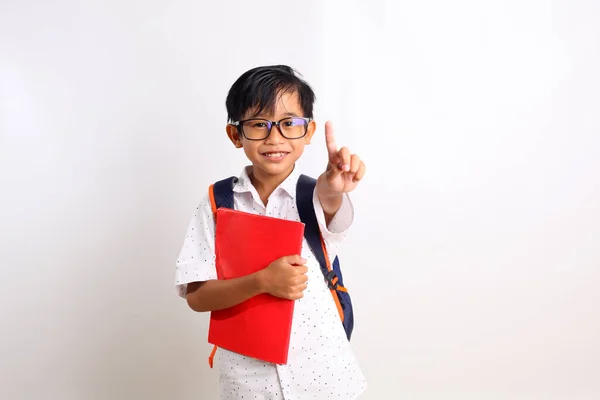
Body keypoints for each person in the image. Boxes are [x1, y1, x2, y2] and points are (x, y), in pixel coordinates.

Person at [174, 65, 367, 399]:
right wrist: (262, 281)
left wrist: (335, 189)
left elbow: (333, 205)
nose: (274, 138)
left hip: (325, 379)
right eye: (259, 124)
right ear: (236, 135)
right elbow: (197, 296)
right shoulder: (217, 203)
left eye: (289, 123)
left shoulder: (318, 195)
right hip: (249, 385)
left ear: (308, 132)